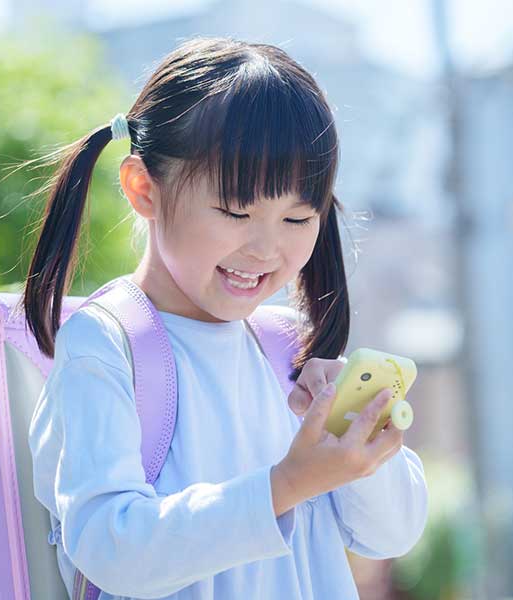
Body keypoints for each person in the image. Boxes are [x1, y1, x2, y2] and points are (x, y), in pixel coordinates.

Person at [24, 36, 428, 600]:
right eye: (236, 211)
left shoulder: (285, 348)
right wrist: (284, 486)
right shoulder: (106, 343)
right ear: (143, 187)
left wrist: (359, 445)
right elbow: (109, 546)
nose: (266, 249)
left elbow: (392, 533)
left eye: (297, 218)